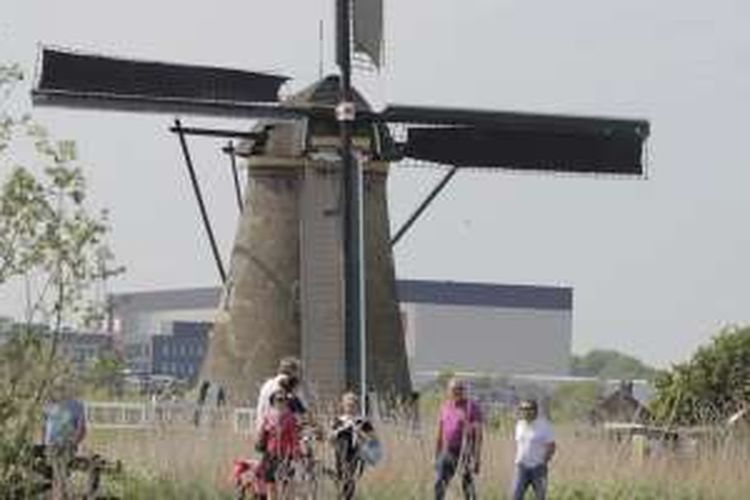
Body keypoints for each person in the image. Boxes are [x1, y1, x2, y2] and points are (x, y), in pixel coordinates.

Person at [434, 378, 483, 500]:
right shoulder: (445, 406)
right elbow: (439, 433)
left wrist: (477, 458)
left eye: (461, 389)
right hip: (447, 451)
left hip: (465, 452)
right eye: (454, 389)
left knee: (467, 485)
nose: (458, 391)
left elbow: (479, 435)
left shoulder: (472, 407)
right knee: (440, 482)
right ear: (448, 391)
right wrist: (436, 455)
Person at [41, 383, 87, 500]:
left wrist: (73, 442)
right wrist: (44, 444)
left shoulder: (77, 406)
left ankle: (62, 496)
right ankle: (62, 496)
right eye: (57, 388)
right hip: (52, 445)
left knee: (60, 474)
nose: (60, 391)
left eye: (62, 388)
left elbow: (82, 429)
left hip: (67, 445)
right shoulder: (48, 405)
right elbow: (44, 427)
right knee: (58, 475)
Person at [329, 392, 379, 500]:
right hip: (340, 454)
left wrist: (359, 432)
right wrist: (339, 430)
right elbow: (330, 439)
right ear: (343, 405)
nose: (350, 408)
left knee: (349, 479)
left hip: (354, 454)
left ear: (356, 405)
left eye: (352, 405)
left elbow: (374, 440)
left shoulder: (362, 421)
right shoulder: (338, 420)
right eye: (347, 405)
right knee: (340, 480)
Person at [256, 387, 301, 500]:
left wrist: (295, 453)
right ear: (273, 401)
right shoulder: (268, 416)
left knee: (287, 484)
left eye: (284, 399)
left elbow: (294, 437)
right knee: (271, 484)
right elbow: (262, 434)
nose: (281, 402)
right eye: (278, 399)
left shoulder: (290, 418)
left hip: (286, 455)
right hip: (270, 454)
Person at [511, 399, 556, 500]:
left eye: (528, 409)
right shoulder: (519, 425)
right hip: (521, 467)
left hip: (538, 468)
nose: (525, 411)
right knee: (515, 496)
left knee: (540, 497)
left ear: (535, 410)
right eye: (522, 409)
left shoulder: (544, 425)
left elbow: (552, 446)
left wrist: (543, 462)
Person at [256, 357, 306, 432]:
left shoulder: (267, 384)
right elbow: (300, 414)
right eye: (298, 372)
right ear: (293, 372)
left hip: (264, 430)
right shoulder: (287, 386)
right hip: (281, 434)